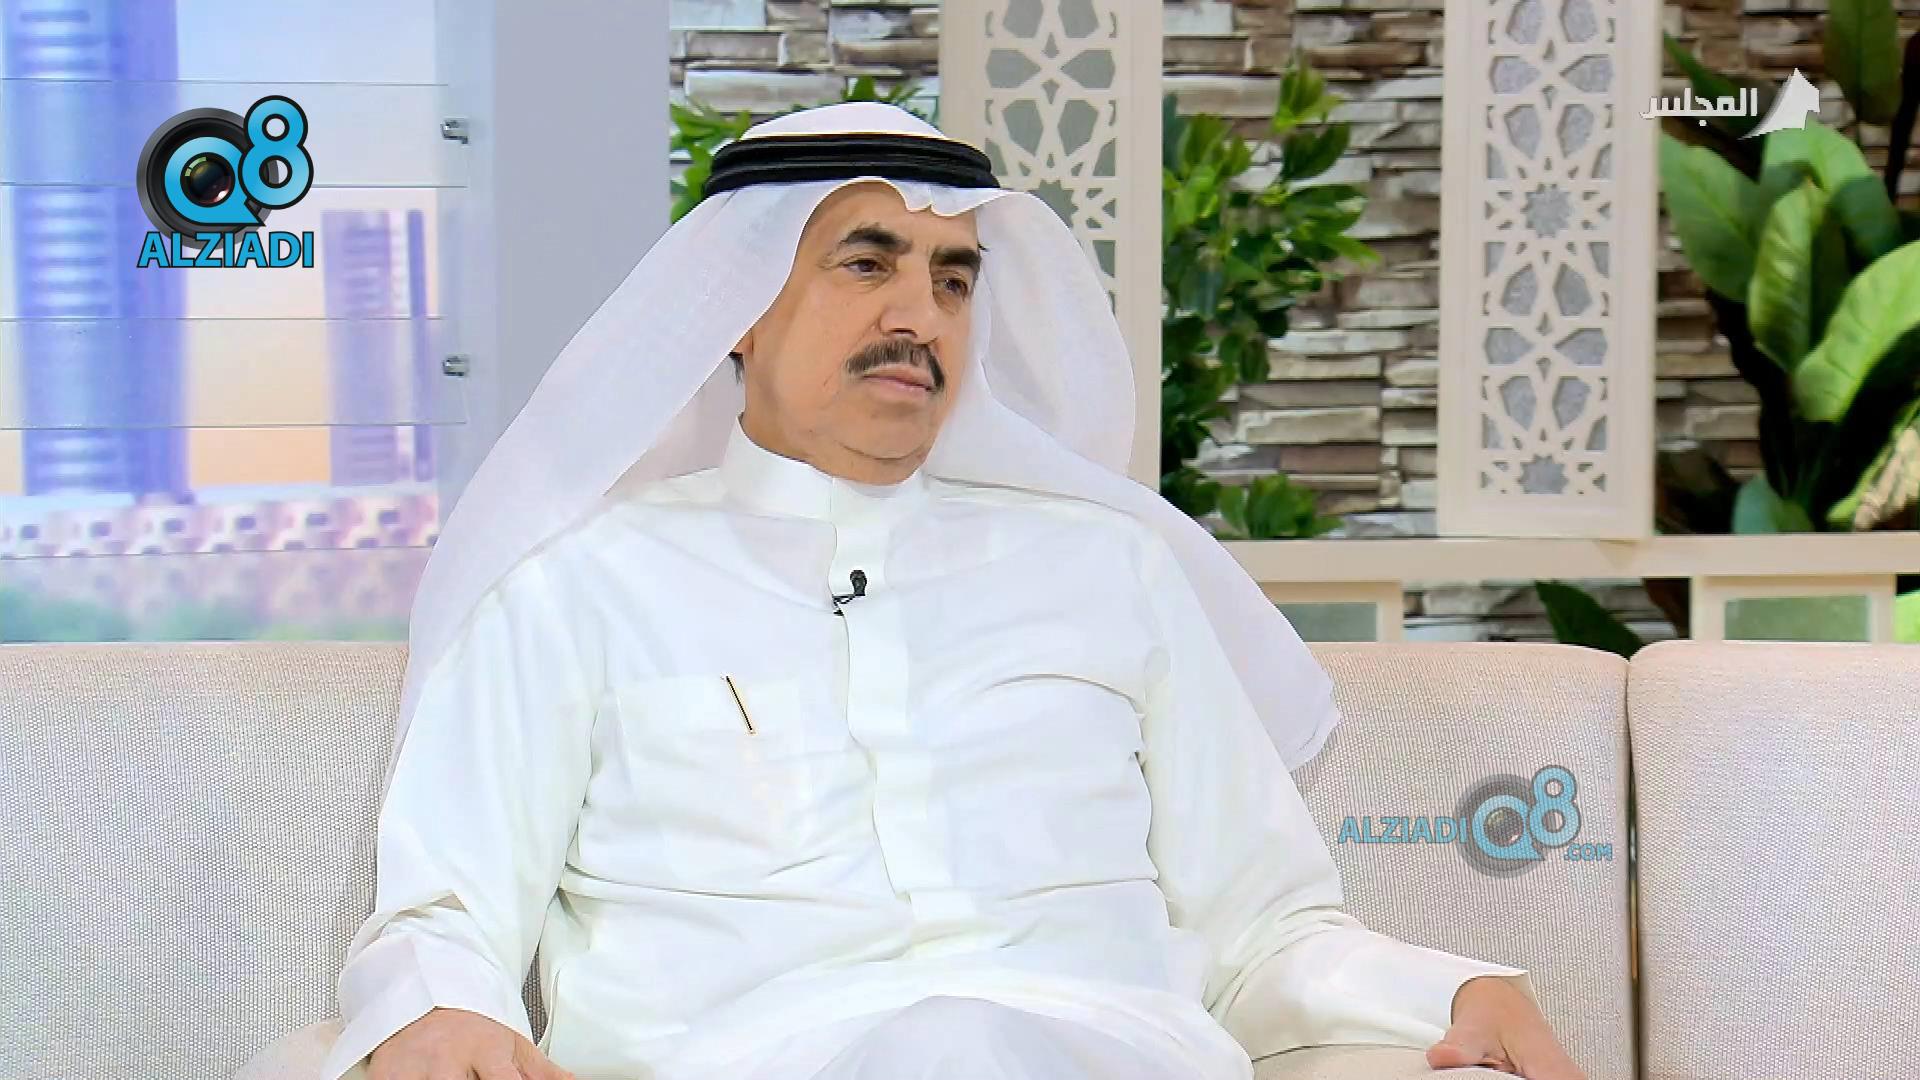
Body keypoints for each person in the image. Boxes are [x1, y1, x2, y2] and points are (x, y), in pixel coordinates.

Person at [317, 103, 1585, 1080]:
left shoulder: (1107, 571)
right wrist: (440, 1009)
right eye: (868, 265)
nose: (920, 315)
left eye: (954, 278)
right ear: (737, 307)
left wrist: (1449, 992)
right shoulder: (579, 586)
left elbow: (1264, 933)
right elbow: (449, 912)